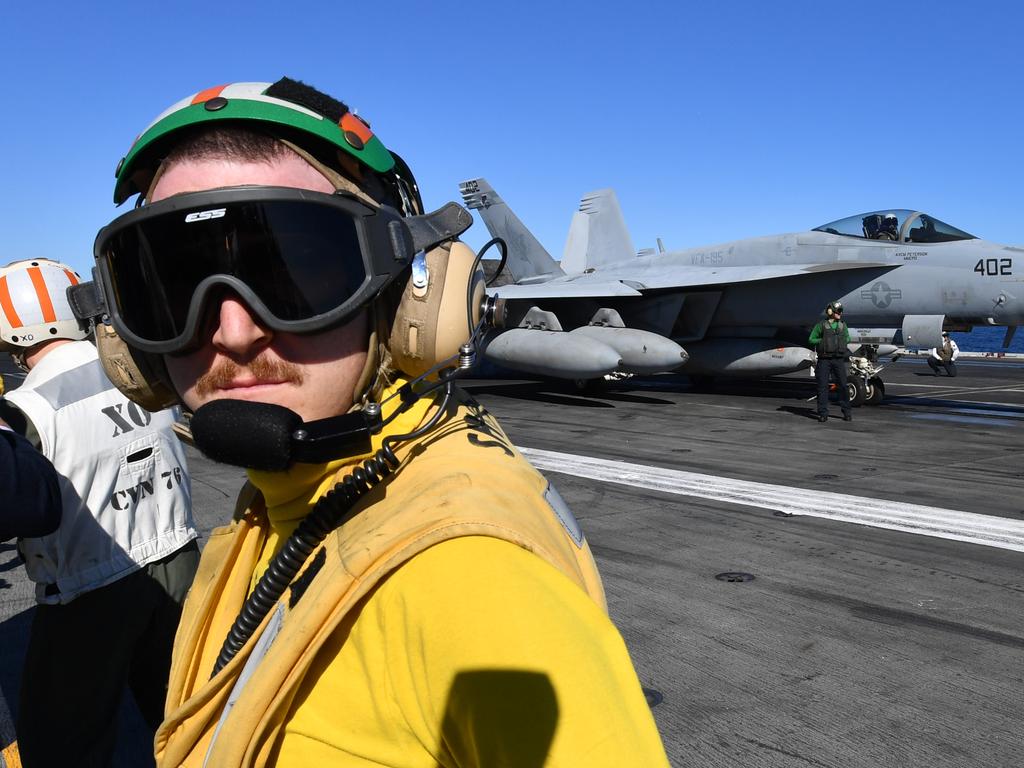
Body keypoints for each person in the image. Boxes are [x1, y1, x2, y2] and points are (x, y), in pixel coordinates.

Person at [74, 78, 670, 767]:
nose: (232, 332)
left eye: (294, 271)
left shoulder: (468, 577)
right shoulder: (273, 506)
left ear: (409, 299)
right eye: (172, 287)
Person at [0, 258, 199, 767]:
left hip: (87, 584)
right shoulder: (141, 364)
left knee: (61, 742)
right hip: (180, 558)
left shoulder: (26, 407)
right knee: (181, 711)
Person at [809, 300, 852, 423]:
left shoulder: (843, 325)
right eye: (838, 311)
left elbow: (848, 338)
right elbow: (811, 339)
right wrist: (822, 341)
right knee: (822, 387)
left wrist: (842, 342)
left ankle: (847, 412)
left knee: (843, 385)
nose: (840, 313)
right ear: (830, 312)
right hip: (824, 360)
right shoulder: (821, 325)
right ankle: (823, 413)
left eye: (841, 311)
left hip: (838, 359)